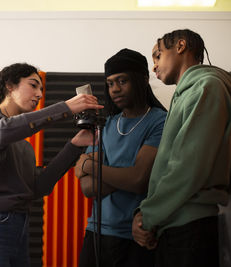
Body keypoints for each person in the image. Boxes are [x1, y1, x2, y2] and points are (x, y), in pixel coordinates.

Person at [0, 62, 103, 267]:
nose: (40, 94)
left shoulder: (24, 146)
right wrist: (66, 108)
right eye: (33, 85)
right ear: (10, 86)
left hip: (18, 231)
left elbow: (38, 188)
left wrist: (75, 145)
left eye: (41, 88)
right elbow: (2, 131)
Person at [132, 29, 231, 267]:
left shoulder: (207, 87)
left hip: (190, 228)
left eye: (158, 55)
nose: (154, 66)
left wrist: (147, 216)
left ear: (180, 46)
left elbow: (188, 166)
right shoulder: (184, 94)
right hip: (171, 223)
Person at [74, 48, 167, 267]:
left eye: (122, 81)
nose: (115, 89)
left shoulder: (160, 121)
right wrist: (127, 172)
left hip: (135, 237)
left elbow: (138, 181)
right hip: (96, 234)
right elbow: (88, 188)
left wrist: (89, 164)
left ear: (143, 79)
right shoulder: (105, 125)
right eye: (110, 83)